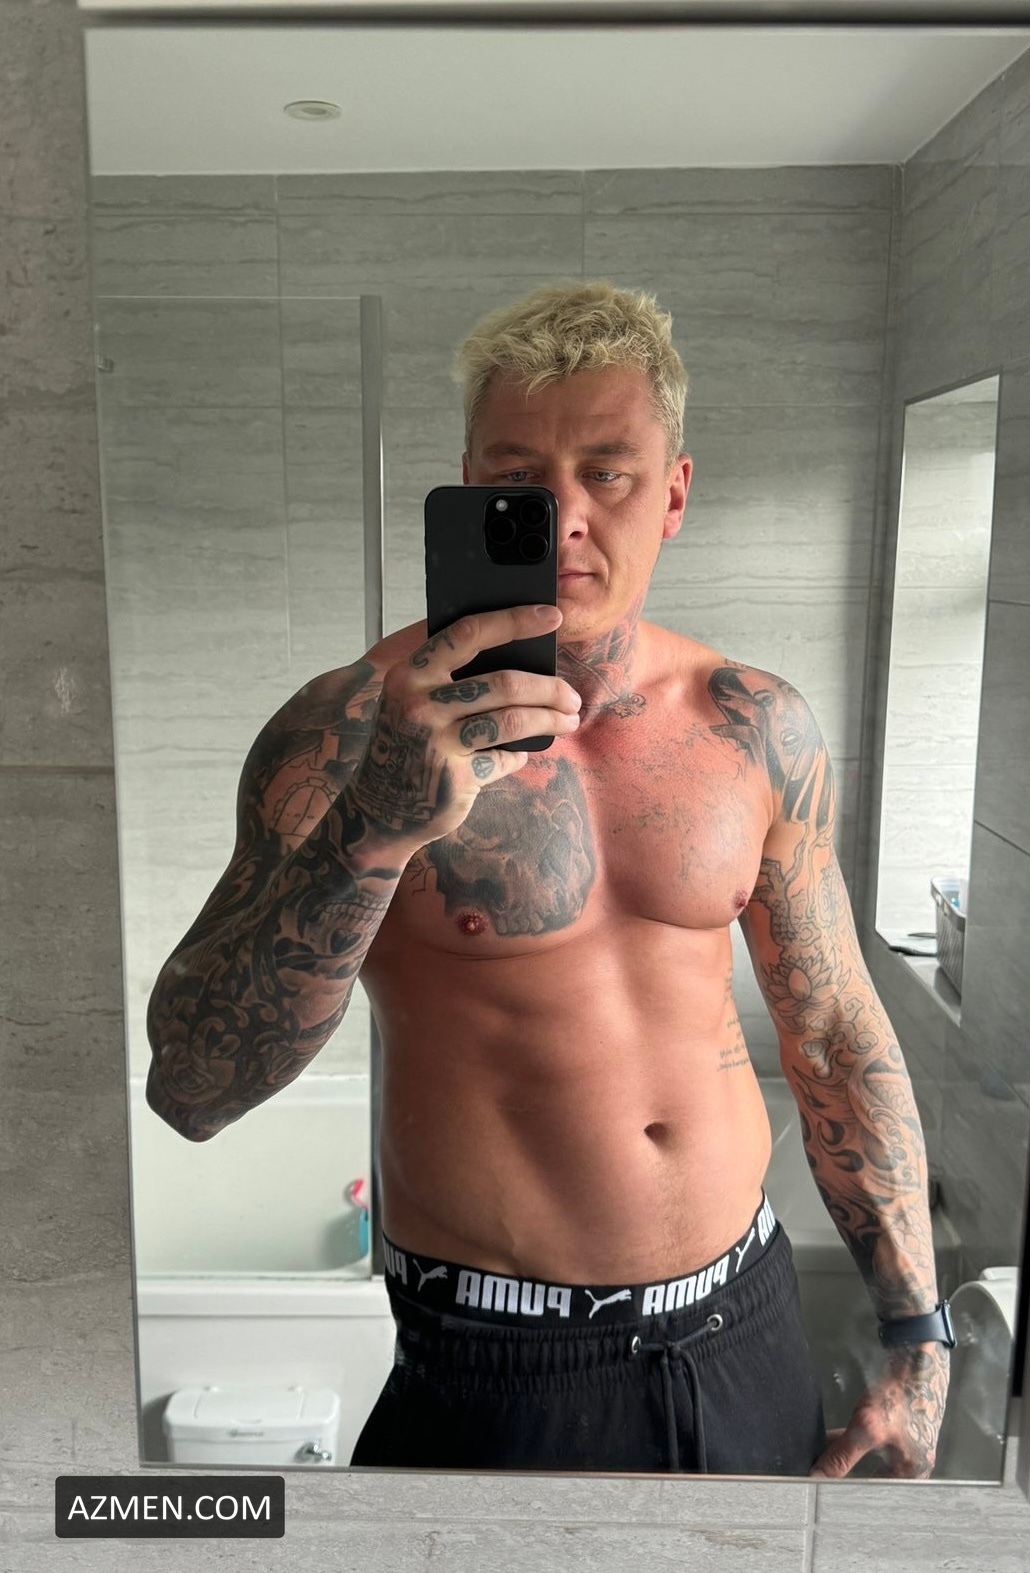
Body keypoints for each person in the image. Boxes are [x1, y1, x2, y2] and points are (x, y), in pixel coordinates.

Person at [145, 280, 950, 1479]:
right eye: (518, 476)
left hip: (747, 1324)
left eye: (607, 472)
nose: (562, 516)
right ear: (469, 483)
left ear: (672, 493)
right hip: (497, 1362)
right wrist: (372, 832)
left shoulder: (754, 725)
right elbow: (191, 1086)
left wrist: (918, 1336)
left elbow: (832, 1032)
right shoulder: (345, 733)